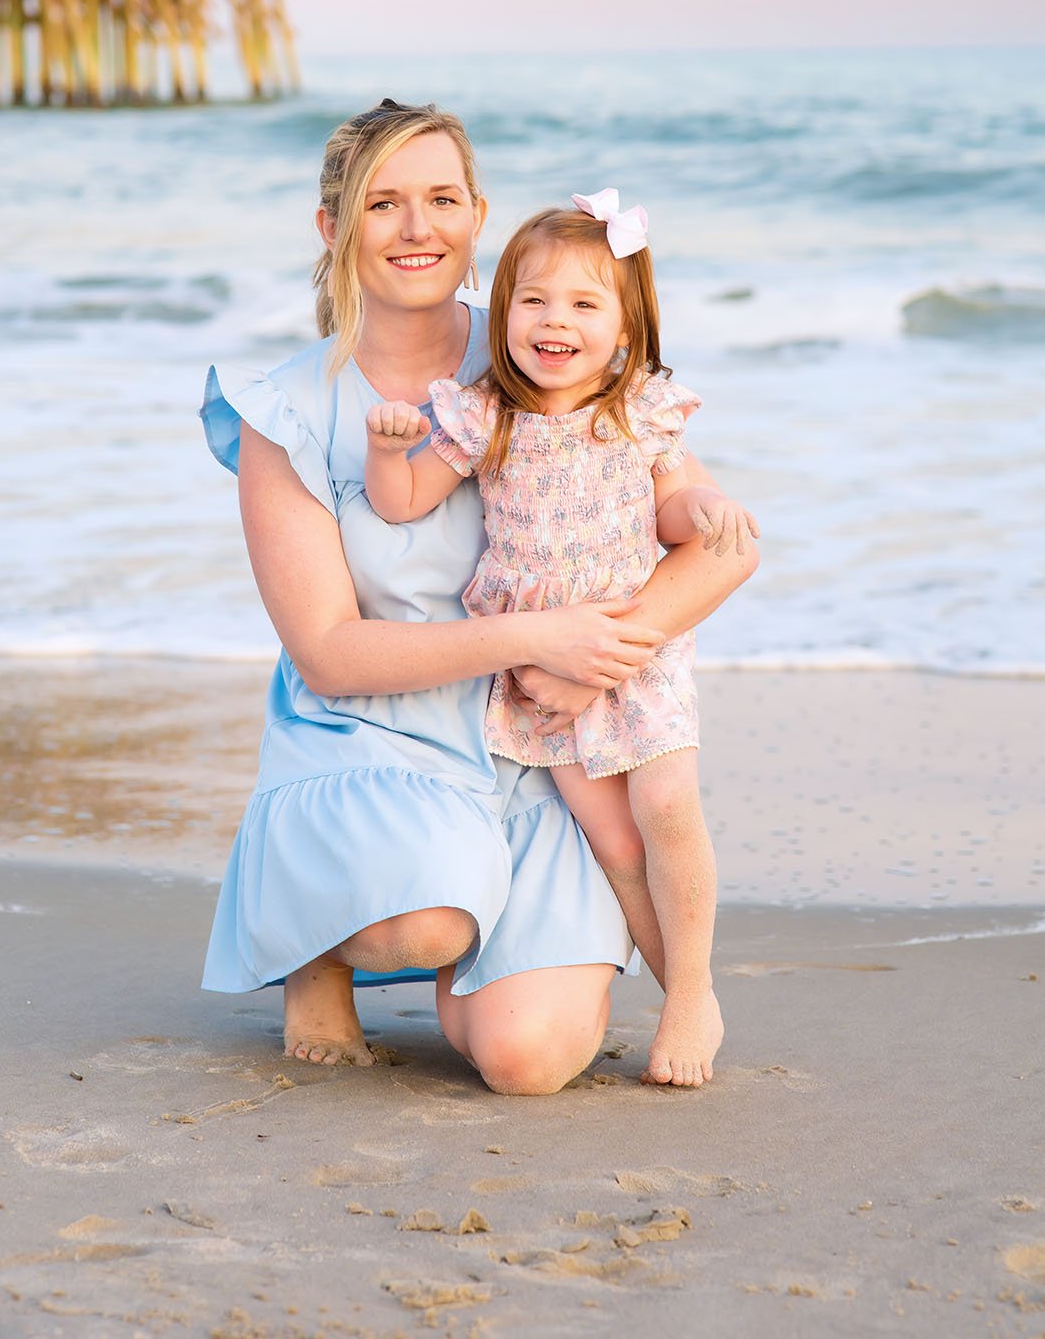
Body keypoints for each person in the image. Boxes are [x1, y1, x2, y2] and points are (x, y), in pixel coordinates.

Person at [199, 99, 758, 1094]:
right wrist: (538, 636)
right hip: (373, 735)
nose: (417, 229)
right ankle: (322, 943)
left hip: (533, 735)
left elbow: (718, 550)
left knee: (528, 1059)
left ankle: (489, 947)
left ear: (477, 216)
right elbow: (329, 650)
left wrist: (594, 664)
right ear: (332, 230)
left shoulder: (544, 347)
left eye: (442, 199)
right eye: (383, 204)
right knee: (423, 919)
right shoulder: (284, 412)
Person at [363, 193, 755, 1086]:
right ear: (503, 314)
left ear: (625, 326)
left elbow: (673, 509)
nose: (555, 322)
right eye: (533, 300)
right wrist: (390, 450)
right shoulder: (483, 414)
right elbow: (402, 501)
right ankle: (682, 992)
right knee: (616, 846)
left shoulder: (641, 412)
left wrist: (708, 505)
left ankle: (691, 991)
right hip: (539, 670)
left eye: (584, 304)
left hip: (633, 655)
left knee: (666, 810)